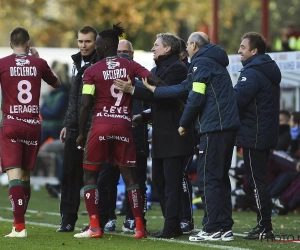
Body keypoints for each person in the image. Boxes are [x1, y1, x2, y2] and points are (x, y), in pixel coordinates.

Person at [114, 31, 240, 241]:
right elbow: (174, 92)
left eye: (156, 45)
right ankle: (215, 226)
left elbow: (189, 95)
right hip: (187, 130)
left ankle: (204, 226)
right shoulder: (173, 68)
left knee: (201, 179)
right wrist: (144, 113)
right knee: (168, 180)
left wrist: (182, 123)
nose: (153, 48)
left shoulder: (187, 67)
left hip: (194, 130)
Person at [73, 23, 165, 239]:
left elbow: (86, 104)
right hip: (124, 125)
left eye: (96, 45)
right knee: (131, 179)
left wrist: (81, 132)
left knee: (91, 176)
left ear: (104, 47)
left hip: (101, 125)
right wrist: (174, 94)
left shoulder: (92, 70)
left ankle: (95, 227)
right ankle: (139, 228)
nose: (94, 48)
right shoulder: (131, 66)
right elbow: (154, 81)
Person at [0, 26, 61, 237]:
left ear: (10, 45)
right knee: (25, 175)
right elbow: (57, 82)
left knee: (14, 175)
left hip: (12, 124)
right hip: (33, 125)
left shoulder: (3, 63)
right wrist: (38, 59)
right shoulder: (38, 63)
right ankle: (20, 222)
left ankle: (19, 227)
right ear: (28, 43)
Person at [96, 39, 149, 233]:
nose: (122, 55)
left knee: (135, 180)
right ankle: (107, 217)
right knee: (106, 180)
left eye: (125, 52)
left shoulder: (139, 76)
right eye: (118, 52)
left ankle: (133, 219)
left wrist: (133, 90)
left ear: (132, 55)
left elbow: (154, 95)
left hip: (135, 137)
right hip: (110, 136)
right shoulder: (103, 75)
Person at [234, 32, 281, 240]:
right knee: (258, 180)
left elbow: (238, 99)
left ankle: (265, 226)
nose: (239, 51)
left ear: (254, 51)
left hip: (254, 134)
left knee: (257, 181)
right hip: (263, 132)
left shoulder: (252, 72)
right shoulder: (266, 70)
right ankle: (264, 225)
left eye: (243, 47)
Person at [56, 25, 99, 233]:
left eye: (87, 41)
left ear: (95, 42)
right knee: (69, 174)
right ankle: (67, 220)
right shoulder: (76, 62)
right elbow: (74, 99)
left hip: (93, 128)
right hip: (74, 128)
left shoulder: (99, 63)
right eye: (80, 41)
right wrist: (67, 124)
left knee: (96, 175)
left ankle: (100, 220)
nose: (83, 45)